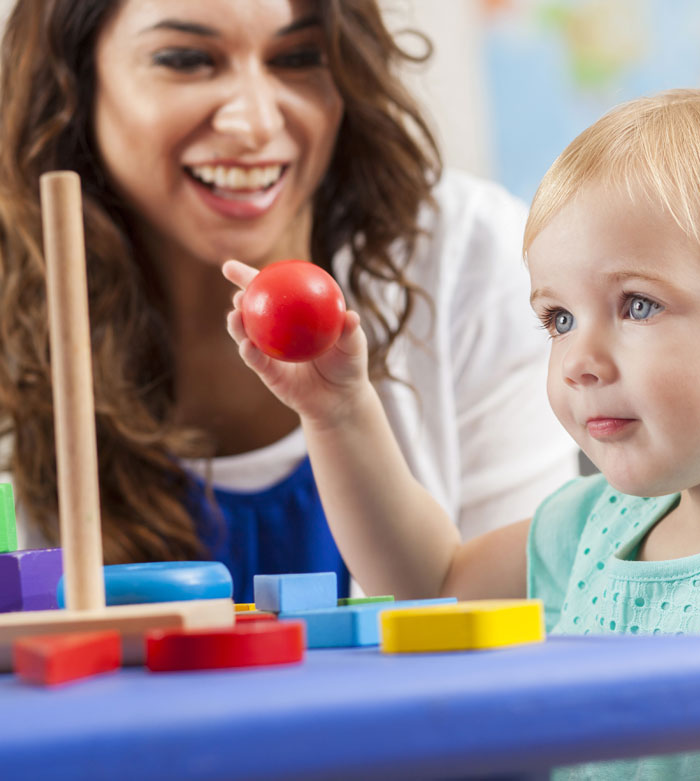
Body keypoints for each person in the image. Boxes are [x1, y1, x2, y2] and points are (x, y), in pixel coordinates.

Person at [225, 85, 700, 778]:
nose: (578, 361)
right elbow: (430, 583)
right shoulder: (602, 522)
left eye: (636, 304)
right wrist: (339, 410)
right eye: (558, 317)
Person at [0, 0, 578, 603]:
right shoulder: (17, 295)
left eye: (299, 57)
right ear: (74, 80)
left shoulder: (472, 256)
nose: (253, 123)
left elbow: (515, 621)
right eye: (186, 59)